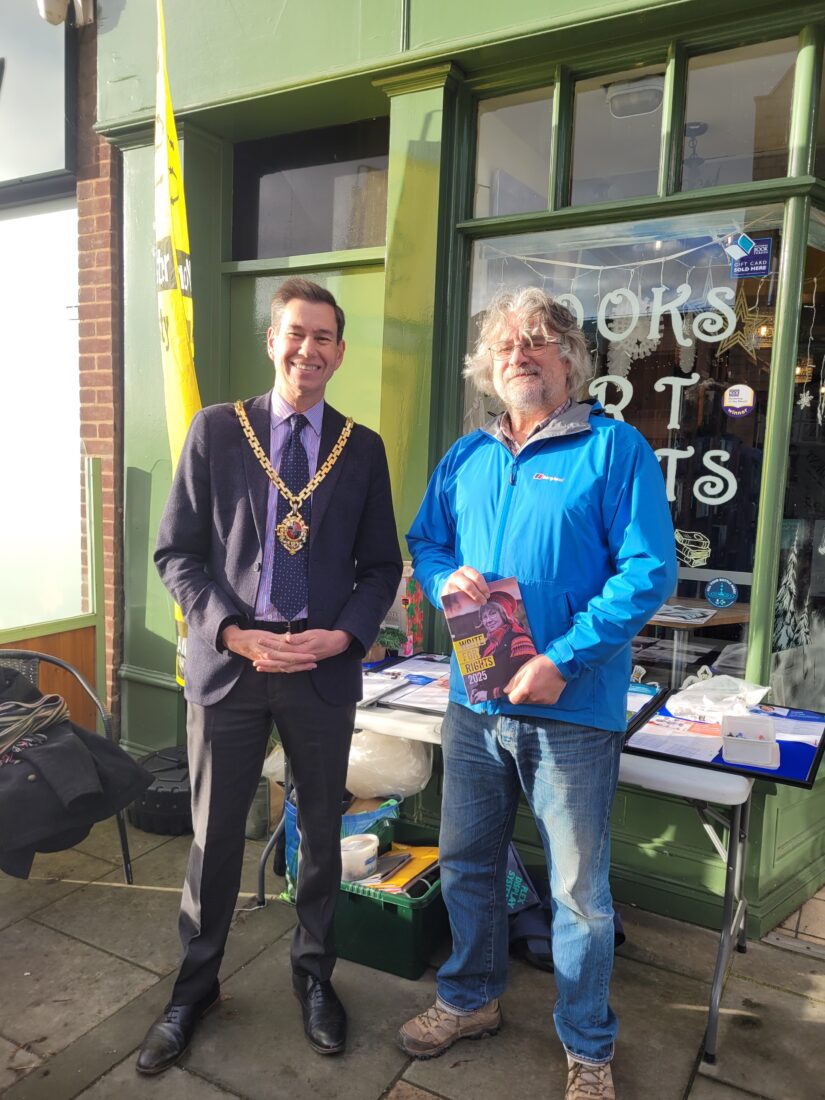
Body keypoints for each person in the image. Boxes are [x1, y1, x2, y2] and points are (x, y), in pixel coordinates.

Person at [400, 287, 676, 1100]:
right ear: (487, 365)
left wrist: (562, 658)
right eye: (506, 343)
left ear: (570, 362)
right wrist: (441, 574)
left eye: (539, 341)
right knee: (465, 865)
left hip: (569, 712)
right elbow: (426, 540)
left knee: (577, 897)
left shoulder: (613, 449)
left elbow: (647, 570)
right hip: (472, 702)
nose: (519, 352)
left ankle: (588, 1047)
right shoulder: (467, 456)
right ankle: (468, 997)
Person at [137, 277, 402, 1074]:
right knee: (216, 838)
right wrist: (231, 630)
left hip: (320, 673)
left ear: (340, 351)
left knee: (321, 835)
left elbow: (380, 565)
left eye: (324, 337)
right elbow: (175, 552)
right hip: (231, 669)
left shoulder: (362, 448)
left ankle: (314, 977)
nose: (308, 350)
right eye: (295, 333)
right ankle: (194, 989)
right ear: (271, 339)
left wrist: (338, 639)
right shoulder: (219, 431)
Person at [470, 590, 537, 702]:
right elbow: (488, 677)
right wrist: (477, 689)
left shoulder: (519, 640)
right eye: (484, 617)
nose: (488, 620)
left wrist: (489, 694)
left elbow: (524, 681)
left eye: (492, 613)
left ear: (504, 615)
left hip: (517, 709)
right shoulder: (486, 645)